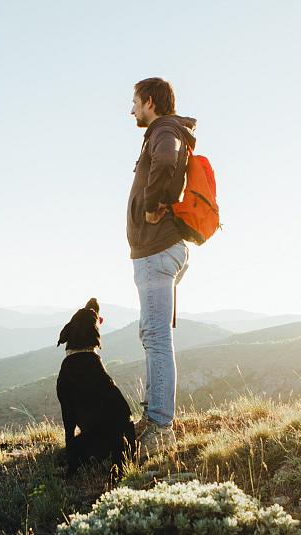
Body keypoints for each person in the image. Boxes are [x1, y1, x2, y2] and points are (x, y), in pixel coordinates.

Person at [126, 77, 196, 456]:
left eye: (135, 102)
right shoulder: (164, 131)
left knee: (156, 338)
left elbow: (167, 160)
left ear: (149, 102)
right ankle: (153, 419)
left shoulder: (164, 131)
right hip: (157, 251)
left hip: (157, 250)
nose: (131, 110)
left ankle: (159, 428)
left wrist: (152, 207)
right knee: (151, 334)